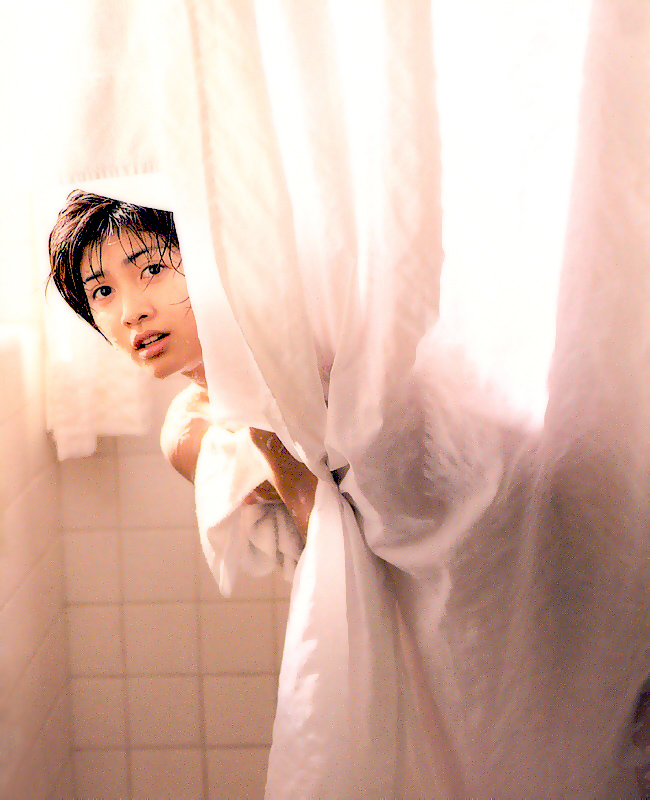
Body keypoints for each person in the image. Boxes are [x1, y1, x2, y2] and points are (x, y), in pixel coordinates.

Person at [47, 190, 317, 549]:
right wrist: (270, 445)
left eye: (152, 269)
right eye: (103, 291)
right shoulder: (190, 432)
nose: (131, 313)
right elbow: (326, 548)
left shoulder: (312, 352)